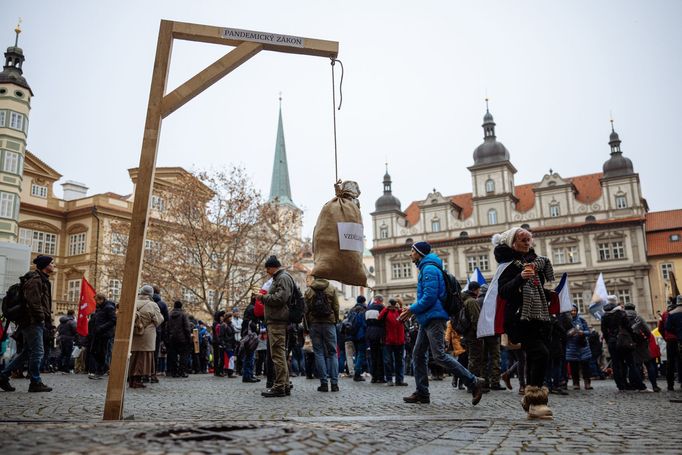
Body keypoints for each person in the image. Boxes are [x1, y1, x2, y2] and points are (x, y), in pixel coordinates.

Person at [399, 241, 484, 405]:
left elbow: (430, 297)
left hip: (434, 317)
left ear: (420, 253)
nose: (410, 254)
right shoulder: (426, 267)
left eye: (412, 251)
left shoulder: (429, 269)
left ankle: (473, 382)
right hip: (428, 317)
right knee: (418, 354)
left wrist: (412, 309)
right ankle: (422, 393)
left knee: (439, 355)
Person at [493, 227, 554, 418]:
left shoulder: (537, 263)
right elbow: (503, 291)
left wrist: (549, 295)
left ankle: (530, 400)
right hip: (520, 319)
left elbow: (538, 289)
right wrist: (520, 278)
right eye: (523, 240)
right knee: (539, 353)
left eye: (529, 240)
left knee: (536, 356)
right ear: (513, 243)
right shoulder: (508, 265)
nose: (527, 243)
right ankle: (536, 402)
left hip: (539, 317)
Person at [0, 255, 55, 393]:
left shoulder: (41, 279)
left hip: (32, 321)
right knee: (38, 351)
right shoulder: (35, 280)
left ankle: (3, 375)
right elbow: (34, 303)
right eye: (51, 263)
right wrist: (42, 318)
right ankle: (35, 382)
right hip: (32, 322)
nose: (54, 265)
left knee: (26, 352)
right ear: (45, 265)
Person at [259, 255, 295, 397]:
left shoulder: (282, 278)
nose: (267, 271)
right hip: (276, 320)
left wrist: (262, 297)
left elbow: (281, 298)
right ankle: (284, 384)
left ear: (273, 267)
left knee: (278, 354)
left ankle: (280, 386)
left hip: (278, 320)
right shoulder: (281, 277)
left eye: (268, 268)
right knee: (279, 353)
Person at [304, 276, 340, 392]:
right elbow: (336, 307)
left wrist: (307, 326)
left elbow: (305, 310)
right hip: (329, 323)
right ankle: (334, 384)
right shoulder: (331, 288)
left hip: (314, 324)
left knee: (318, 353)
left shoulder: (309, 290)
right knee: (333, 353)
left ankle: (323, 384)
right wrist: (336, 320)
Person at [128, 285, 163, 388]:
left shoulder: (133, 302)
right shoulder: (153, 305)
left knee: (134, 356)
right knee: (143, 358)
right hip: (147, 335)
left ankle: (131, 379)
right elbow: (159, 320)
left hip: (134, 333)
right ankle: (137, 379)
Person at [379, 297, 408, 386]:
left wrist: (399, 309)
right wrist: (386, 308)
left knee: (400, 361)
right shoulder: (386, 311)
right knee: (388, 361)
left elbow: (405, 318)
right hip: (388, 340)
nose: (394, 305)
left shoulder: (399, 311)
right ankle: (389, 380)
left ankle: (400, 380)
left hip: (400, 340)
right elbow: (379, 318)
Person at [566, 304, 593, 390]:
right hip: (572, 348)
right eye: (572, 311)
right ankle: (576, 383)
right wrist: (570, 333)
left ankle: (587, 383)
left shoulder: (581, 320)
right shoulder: (566, 321)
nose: (573, 312)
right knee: (574, 367)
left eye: (575, 310)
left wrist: (583, 333)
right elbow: (564, 334)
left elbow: (588, 332)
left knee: (586, 366)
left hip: (583, 347)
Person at [90, 294, 116, 379]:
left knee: (102, 352)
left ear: (102, 299)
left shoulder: (109, 307)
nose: (96, 302)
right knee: (94, 351)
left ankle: (100, 370)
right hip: (97, 333)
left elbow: (113, 320)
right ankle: (102, 368)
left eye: (97, 300)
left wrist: (102, 327)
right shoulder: (99, 307)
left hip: (105, 334)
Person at [659, 297, 681, 391]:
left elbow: (661, 328)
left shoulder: (665, 314)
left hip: (670, 341)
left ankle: (670, 385)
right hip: (678, 339)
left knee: (670, 363)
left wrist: (666, 338)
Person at [166, 301, 192, 378]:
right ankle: (182, 371)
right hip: (182, 339)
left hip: (172, 338)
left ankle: (174, 372)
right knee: (183, 356)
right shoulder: (183, 315)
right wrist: (189, 338)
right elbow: (187, 327)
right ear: (181, 306)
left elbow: (167, 327)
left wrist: (167, 338)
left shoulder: (169, 315)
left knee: (173, 356)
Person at [365, 294, 386, 384]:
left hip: (369, 333)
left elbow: (365, 321)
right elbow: (384, 320)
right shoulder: (381, 307)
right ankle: (381, 377)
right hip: (379, 333)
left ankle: (374, 377)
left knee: (373, 356)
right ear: (380, 300)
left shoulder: (368, 308)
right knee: (380, 356)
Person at [151, 286, 169, 384]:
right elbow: (166, 318)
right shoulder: (162, 304)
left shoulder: (147, 302)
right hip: (157, 330)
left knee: (144, 352)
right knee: (155, 353)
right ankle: (153, 373)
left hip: (144, 330)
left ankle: (143, 373)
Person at [349, 296, 368, 381]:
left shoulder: (352, 309)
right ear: (364, 301)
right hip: (361, 335)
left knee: (356, 354)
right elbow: (363, 323)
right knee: (361, 354)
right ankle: (357, 374)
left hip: (352, 334)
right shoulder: (364, 310)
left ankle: (357, 372)